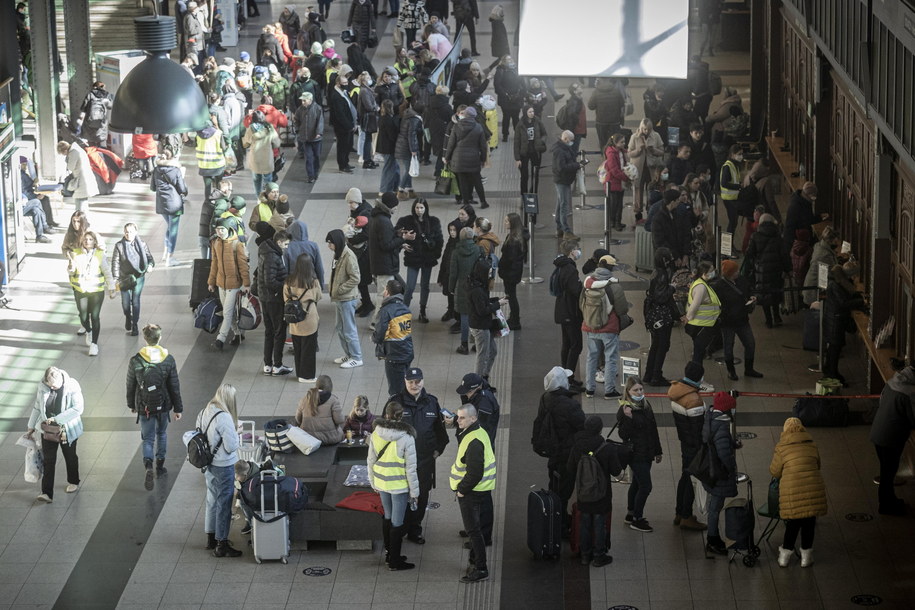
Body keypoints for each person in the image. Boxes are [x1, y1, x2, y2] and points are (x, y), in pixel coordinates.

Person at [390, 367, 449, 544]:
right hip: (401, 462)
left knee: (421, 497)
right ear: (405, 382)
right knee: (401, 496)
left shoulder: (432, 402)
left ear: (423, 381)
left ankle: (415, 529)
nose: (415, 385)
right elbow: (386, 431)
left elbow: (441, 432)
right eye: (411, 382)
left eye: (418, 381)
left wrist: (438, 450)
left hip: (424, 462)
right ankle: (399, 528)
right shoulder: (395, 403)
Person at [126, 323, 184, 490]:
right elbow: (174, 385)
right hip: (163, 405)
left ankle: (148, 466)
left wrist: (132, 404)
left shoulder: (136, 361)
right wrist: (178, 408)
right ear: (160, 337)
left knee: (148, 438)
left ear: (144, 339)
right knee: (162, 434)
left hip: (145, 407)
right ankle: (160, 465)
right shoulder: (168, 359)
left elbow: (130, 385)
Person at [367, 400, 420, 570]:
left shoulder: (376, 433)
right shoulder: (407, 437)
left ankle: (389, 553)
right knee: (398, 522)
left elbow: (370, 460)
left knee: (387, 516)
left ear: (386, 415)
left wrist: (372, 481)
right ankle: (395, 562)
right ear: (401, 416)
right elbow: (410, 468)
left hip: (382, 482)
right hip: (398, 485)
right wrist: (415, 492)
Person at [770, 417, 828, 568]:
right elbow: (818, 464)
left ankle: (784, 557)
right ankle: (806, 557)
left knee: (793, 522)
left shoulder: (782, 447)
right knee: (809, 521)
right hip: (813, 487)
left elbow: (775, 472)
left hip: (792, 489)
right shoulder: (812, 445)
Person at [532, 366, 586, 526]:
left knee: (554, 484)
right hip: (567, 453)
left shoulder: (545, 398)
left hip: (553, 452)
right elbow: (582, 425)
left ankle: (554, 517)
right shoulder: (569, 405)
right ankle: (559, 523)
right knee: (565, 489)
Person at [566, 415, 620, 567]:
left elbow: (570, 468)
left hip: (583, 492)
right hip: (601, 494)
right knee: (599, 523)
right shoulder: (606, 447)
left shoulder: (577, 446)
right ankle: (599, 556)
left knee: (584, 523)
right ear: (600, 429)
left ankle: (585, 555)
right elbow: (616, 471)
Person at [451, 403, 496, 583]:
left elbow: (474, 472)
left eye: (462, 417)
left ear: (473, 418)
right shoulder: (479, 432)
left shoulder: (474, 441)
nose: (458, 420)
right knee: (480, 528)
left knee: (473, 531)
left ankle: (480, 568)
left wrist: (462, 490)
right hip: (483, 489)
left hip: (472, 492)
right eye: (457, 416)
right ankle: (474, 560)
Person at [28, 367, 84, 503]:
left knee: (70, 456)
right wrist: (31, 426)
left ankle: (73, 481)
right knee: (48, 460)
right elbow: (37, 406)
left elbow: (78, 408)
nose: (53, 387)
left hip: (67, 429)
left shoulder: (72, 385)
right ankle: (46, 493)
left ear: (61, 380)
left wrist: (57, 419)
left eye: (56, 385)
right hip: (48, 430)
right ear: (46, 381)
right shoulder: (42, 387)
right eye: (50, 385)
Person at [198, 384, 242, 557]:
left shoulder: (203, 412)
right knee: (224, 502)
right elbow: (231, 446)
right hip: (223, 465)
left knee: (211, 499)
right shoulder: (224, 417)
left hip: (207, 464)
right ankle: (222, 544)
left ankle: (211, 538)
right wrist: (237, 433)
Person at [667, 361, 710, 531]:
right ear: (699, 377)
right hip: (695, 446)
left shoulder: (677, 391)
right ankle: (686, 516)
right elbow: (698, 429)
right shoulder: (693, 400)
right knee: (692, 479)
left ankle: (680, 512)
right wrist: (703, 448)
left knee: (685, 476)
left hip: (684, 442)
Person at [617, 377, 662, 532]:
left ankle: (630, 514)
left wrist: (658, 450)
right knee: (646, 486)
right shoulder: (625, 409)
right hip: (635, 454)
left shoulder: (645, 405)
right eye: (635, 390)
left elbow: (653, 429)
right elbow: (623, 434)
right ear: (628, 392)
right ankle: (637, 518)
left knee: (637, 483)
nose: (639, 392)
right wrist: (628, 418)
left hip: (647, 452)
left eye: (641, 389)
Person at [581, 254, 628, 399]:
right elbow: (622, 309)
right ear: (611, 268)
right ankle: (609, 390)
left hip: (590, 326)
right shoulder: (614, 286)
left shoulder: (588, 282)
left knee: (591, 358)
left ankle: (589, 389)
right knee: (610, 358)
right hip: (609, 327)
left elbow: (581, 304)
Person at [871, 364, 915, 516]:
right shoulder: (909, 392)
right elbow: (913, 417)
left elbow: (882, 401)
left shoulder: (892, 382)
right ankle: (886, 505)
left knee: (886, 471)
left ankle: (889, 501)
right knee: (888, 473)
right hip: (891, 438)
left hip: (878, 432)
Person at [713, 259, 764, 380]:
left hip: (742, 319)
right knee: (728, 346)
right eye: (735, 271)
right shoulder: (719, 287)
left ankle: (749, 369)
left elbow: (748, 291)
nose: (737, 273)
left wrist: (751, 297)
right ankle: (731, 371)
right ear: (729, 273)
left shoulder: (741, 280)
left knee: (750, 344)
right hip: (728, 322)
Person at [702, 391, 739, 556]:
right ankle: (712, 539)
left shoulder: (710, 419)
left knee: (713, 506)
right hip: (719, 474)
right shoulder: (722, 427)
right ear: (726, 410)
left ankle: (713, 537)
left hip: (710, 470)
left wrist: (732, 444)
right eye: (732, 409)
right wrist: (732, 469)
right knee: (715, 508)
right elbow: (724, 454)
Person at [394, 198, 442, 321]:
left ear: (425, 208)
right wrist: (402, 244)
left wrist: (435, 254)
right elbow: (395, 234)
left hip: (427, 258)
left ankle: (422, 310)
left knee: (425, 285)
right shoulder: (406, 221)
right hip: (413, 258)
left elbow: (439, 240)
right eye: (417, 207)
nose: (419, 210)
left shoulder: (433, 222)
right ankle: (404, 310)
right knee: (410, 286)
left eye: (421, 208)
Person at [69, 231, 116, 356]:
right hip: (81, 290)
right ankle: (88, 330)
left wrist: (112, 288)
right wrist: (70, 267)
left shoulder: (100, 255)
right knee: (83, 316)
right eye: (85, 239)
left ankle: (94, 344)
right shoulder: (76, 254)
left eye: (90, 239)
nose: (87, 241)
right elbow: (71, 272)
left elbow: (107, 272)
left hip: (96, 290)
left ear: (95, 241)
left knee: (95, 316)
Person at [255, 224, 292, 377]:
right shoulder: (272, 256)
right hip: (274, 300)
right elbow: (270, 281)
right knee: (279, 332)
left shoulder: (266, 251)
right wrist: (284, 287)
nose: (287, 247)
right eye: (286, 244)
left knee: (269, 332)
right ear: (279, 242)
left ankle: (268, 365)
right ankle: (277, 365)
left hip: (265, 298)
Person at [208, 219, 251, 351]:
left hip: (234, 284)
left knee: (226, 312)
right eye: (218, 229)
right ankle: (238, 334)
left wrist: (247, 284)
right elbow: (214, 263)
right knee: (229, 313)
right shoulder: (215, 243)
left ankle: (220, 338)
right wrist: (211, 281)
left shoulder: (237, 244)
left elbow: (243, 265)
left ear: (229, 229)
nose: (219, 232)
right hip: (221, 283)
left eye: (222, 229)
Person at [823, 261, 867, 384]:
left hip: (834, 319)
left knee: (834, 348)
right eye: (856, 275)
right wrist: (861, 302)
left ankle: (831, 371)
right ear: (851, 275)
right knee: (834, 348)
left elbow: (846, 297)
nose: (857, 277)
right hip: (835, 321)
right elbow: (843, 303)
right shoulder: (836, 285)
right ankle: (832, 374)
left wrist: (857, 297)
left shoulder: (840, 281)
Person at [369, 192, 409, 325]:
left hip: (380, 263)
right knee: (383, 294)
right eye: (395, 206)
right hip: (384, 265)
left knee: (383, 293)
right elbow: (386, 245)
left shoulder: (378, 217)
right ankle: (376, 322)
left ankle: (379, 320)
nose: (396, 208)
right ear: (389, 206)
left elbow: (385, 239)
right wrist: (402, 238)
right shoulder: (384, 221)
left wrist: (396, 235)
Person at [326, 229, 364, 368]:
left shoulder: (348, 256)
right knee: (340, 328)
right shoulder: (338, 254)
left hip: (346, 298)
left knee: (349, 329)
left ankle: (356, 357)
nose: (328, 246)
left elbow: (356, 278)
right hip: (339, 298)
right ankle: (349, 354)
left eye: (330, 243)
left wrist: (340, 289)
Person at [284, 252, 322, 383]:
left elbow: (285, 298)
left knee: (298, 348)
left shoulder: (289, 281)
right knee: (309, 349)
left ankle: (299, 372)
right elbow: (318, 297)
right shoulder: (313, 282)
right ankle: (307, 376)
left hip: (294, 321)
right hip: (309, 319)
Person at [467, 258, 508, 381]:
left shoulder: (478, 285)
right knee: (483, 355)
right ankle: (478, 381)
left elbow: (483, 304)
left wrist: (496, 300)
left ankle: (484, 376)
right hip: (480, 327)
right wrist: (498, 304)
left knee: (492, 351)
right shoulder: (477, 290)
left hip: (483, 325)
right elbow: (482, 310)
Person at [111, 223, 155, 337]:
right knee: (125, 304)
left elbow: (150, 258)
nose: (128, 234)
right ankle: (128, 316)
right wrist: (115, 278)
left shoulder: (142, 244)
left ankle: (134, 324)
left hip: (138, 277)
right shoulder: (119, 246)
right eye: (126, 231)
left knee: (135, 301)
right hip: (124, 278)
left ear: (136, 232)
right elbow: (115, 262)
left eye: (130, 231)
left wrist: (150, 265)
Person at [745, 213, 788, 328]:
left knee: (764, 295)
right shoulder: (778, 237)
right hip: (776, 270)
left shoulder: (755, 236)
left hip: (761, 271)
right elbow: (784, 255)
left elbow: (749, 253)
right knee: (775, 293)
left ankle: (768, 320)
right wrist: (788, 269)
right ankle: (777, 317)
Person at [373, 279, 414, 396]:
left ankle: (397, 411)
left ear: (388, 292)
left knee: (395, 390)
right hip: (407, 352)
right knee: (405, 385)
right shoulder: (405, 308)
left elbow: (380, 334)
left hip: (394, 355)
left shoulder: (385, 311)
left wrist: (373, 338)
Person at [553, 240, 585, 387]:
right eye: (577, 249)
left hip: (562, 308)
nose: (579, 251)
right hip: (570, 311)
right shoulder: (570, 269)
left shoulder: (562, 265)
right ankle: (569, 378)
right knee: (576, 344)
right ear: (572, 251)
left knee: (567, 344)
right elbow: (576, 290)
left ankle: (565, 376)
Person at [445, 106, 490, 209]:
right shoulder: (478, 127)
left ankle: (466, 203)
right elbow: (483, 146)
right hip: (473, 159)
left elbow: (451, 144)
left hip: (458, 159)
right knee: (477, 181)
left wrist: (447, 157)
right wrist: (483, 159)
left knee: (462, 181)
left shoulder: (456, 126)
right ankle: (483, 202)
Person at [644, 247, 677, 386]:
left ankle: (649, 374)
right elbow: (661, 296)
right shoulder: (662, 275)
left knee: (655, 345)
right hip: (662, 315)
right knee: (663, 345)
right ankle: (656, 376)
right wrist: (672, 287)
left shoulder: (655, 272)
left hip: (652, 314)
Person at [149, 150, 188, 267]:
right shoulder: (175, 170)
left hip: (162, 203)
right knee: (173, 230)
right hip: (174, 204)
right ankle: (169, 258)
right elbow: (182, 189)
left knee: (170, 227)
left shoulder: (156, 170)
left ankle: (165, 253)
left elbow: (152, 188)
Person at [450, 227, 482, 354]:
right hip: (476, 285)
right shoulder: (478, 249)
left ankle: (464, 345)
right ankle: (475, 343)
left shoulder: (456, 252)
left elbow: (453, 273)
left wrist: (451, 288)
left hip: (462, 286)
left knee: (464, 315)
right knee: (475, 315)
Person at [682, 261, 721, 364]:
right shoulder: (701, 287)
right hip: (700, 325)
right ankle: (695, 376)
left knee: (699, 351)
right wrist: (688, 318)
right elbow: (695, 304)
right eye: (711, 271)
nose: (713, 272)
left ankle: (696, 375)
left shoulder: (701, 283)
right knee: (698, 353)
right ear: (704, 273)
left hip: (701, 324)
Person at [294, 379, 345, 444]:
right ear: (330, 387)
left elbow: (298, 420)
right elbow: (339, 420)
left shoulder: (304, 399)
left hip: (308, 438)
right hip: (331, 438)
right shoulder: (333, 400)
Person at [243, 110, 281, 196]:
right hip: (267, 158)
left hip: (255, 158)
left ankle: (259, 198)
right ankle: (269, 198)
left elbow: (245, 144)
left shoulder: (251, 128)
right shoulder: (269, 128)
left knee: (257, 180)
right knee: (268, 180)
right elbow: (277, 143)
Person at [783, 182, 827, 255]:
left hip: (796, 237)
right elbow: (807, 220)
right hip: (795, 240)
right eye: (813, 196)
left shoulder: (802, 200)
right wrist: (819, 217)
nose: (814, 199)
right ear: (808, 195)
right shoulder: (799, 205)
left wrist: (820, 217)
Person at [551, 130, 581, 239]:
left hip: (564, 180)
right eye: (571, 140)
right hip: (562, 180)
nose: (573, 142)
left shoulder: (564, 148)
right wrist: (576, 165)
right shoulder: (560, 151)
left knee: (560, 203)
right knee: (564, 204)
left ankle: (559, 226)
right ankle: (566, 231)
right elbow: (561, 168)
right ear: (565, 139)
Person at [499, 213, 525, 330]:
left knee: (511, 296)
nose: (505, 223)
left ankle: (515, 320)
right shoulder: (517, 236)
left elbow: (509, 259)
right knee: (511, 295)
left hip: (510, 273)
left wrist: (502, 269)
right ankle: (514, 317)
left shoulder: (513, 241)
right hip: (512, 272)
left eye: (507, 221)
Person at [803, 226, 841, 306]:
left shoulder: (821, 247)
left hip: (814, 288)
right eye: (836, 241)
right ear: (830, 241)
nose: (837, 243)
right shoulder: (824, 255)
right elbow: (833, 273)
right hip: (815, 293)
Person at [329, 71, 358, 173]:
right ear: (338, 83)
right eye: (344, 83)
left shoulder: (343, 92)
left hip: (349, 125)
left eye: (346, 83)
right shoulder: (336, 96)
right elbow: (340, 114)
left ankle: (346, 162)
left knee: (348, 145)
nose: (346, 85)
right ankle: (342, 165)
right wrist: (349, 126)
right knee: (342, 146)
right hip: (342, 127)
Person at [514, 105, 547, 196]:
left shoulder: (537, 121)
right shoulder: (520, 125)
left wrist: (541, 141)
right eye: (530, 112)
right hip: (524, 153)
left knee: (535, 174)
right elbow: (516, 142)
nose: (532, 113)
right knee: (524, 176)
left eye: (533, 111)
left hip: (535, 151)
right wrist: (517, 158)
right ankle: (524, 195)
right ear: (525, 113)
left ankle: (533, 193)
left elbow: (544, 133)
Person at [57, 141, 99, 212]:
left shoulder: (73, 153)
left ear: (65, 150)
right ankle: (85, 220)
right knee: (84, 202)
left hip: (81, 180)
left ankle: (82, 221)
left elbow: (71, 167)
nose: (64, 155)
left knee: (80, 204)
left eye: (63, 153)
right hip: (85, 178)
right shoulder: (78, 149)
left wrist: (67, 160)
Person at [284, 220, 325, 290]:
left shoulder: (288, 247)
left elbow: (285, 270)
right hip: (310, 284)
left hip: (294, 285)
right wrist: (321, 285)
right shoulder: (313, 246)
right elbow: (319, 268)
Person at [294, 91, 324, 183]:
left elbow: (320, 121)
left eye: (304, 100)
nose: (302, 102)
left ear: (310, 100)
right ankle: (310, 176)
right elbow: (296, 120)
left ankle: (315, 173)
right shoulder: (300, 110)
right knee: (309, 158)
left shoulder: (317, 108)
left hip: (316, 139)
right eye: (302, 100)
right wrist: (298, 130)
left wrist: (318, 132)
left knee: (317, 156)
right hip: (305, 139)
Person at [394, 103, 423, 199]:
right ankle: (401, 190)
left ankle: (410, 189)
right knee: (408, 170)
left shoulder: (407, 116)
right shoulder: (414, 119)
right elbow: (412, 135)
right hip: (407, 147)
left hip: (402, 144)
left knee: (409, 168)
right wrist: (413, 149)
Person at [603, 133, 630, 232]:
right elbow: (614, 170)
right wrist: (625, 177)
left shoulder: (621, 151)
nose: (624, 144)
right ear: (615, 143)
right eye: (622, 142)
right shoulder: (611, 154)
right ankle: (612, 222)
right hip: (613, 182)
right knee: (614, 204)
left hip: (620, 182)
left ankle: (618, 221)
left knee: (619, 203)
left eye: (624, 141)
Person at [76, 81, 113, 147]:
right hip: (101, 123)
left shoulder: (90, 94)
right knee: (100, 141)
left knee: (91, 142)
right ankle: (100, 154)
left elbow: (83, 107)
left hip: (89, 123)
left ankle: (92, 154)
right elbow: (110, 106)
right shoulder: (106, 95)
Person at [719, 144, 744, 235]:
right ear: (733, 154)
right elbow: (724, 183)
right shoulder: (727, 166)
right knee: (732, 223)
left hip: (733, 198)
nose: (741, 156)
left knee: (733, 222)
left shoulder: (734, 165)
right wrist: (739, 186)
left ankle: (729, 247)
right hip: (729, 199)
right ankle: (727, 247)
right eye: (739, 154)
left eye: (742, 154)